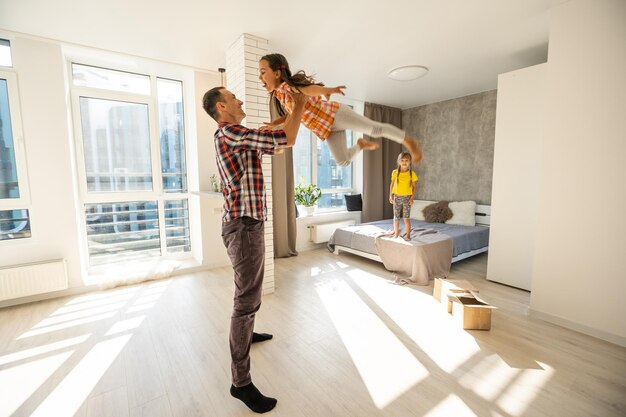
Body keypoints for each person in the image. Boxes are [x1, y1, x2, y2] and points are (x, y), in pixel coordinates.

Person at [202, 86, 306, 413]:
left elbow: (271, 140)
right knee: (245, 302)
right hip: (244, 226)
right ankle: (240, 383)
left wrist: (284, 118)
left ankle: (247, 333)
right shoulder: (230, 133)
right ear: (222, 107)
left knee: (249, 296)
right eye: (234, 98)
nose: (241, 101)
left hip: (249, 224)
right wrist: (300, 106)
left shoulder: (237, 136)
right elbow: (285, 141)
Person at [258, 53, 423, 167]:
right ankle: (360, 144)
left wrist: (326, 90)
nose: (260, 77)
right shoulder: (279, 95)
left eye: (263, 72)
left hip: (335, 115)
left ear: (278, 73)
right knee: (343, 161)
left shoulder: (290, 87)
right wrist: (276, 123)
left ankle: (408, 141)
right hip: (327, 129)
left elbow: (308, 90)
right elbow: (293, 114)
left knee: (375, 129)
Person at [389, 151, 418, 240]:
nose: (404, 162)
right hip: (396, 197)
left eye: (406, 160)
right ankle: (396, 234)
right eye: (402, 160)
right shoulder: (395, 172)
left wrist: (412, 198)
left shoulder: (411, 174)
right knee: (396, 217)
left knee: (406, 218)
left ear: (409, 162)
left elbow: (414, 187)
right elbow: (392, 184)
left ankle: (408, 235)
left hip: (407, 198)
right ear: (399, 161)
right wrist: (390, 195)